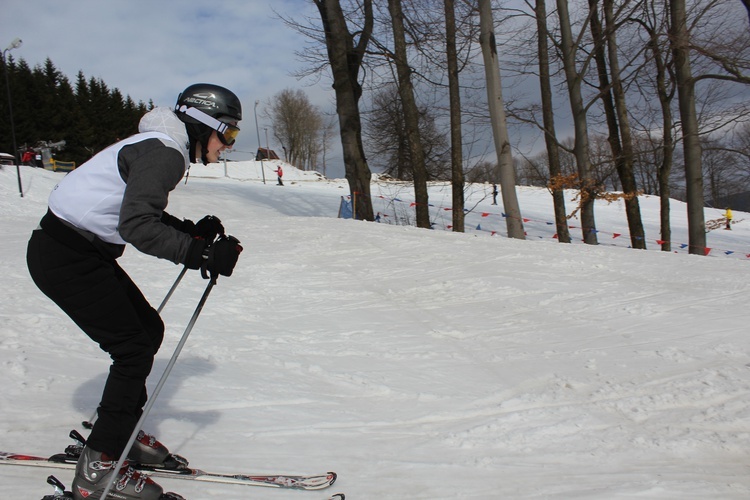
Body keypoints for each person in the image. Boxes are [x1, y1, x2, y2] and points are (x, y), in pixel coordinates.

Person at [26, 83, 244, 500]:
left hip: (72, 250)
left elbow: (136, 210)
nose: (228, 145)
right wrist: (198, 254)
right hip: (66, 256)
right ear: (202, 125)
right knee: (133, 348)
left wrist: (189, 234)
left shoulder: (159, 143)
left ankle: (119, 431)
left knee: (147, 332)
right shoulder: (167, 152)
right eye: (228, 134)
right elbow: (137, 227)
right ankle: (99, 468)